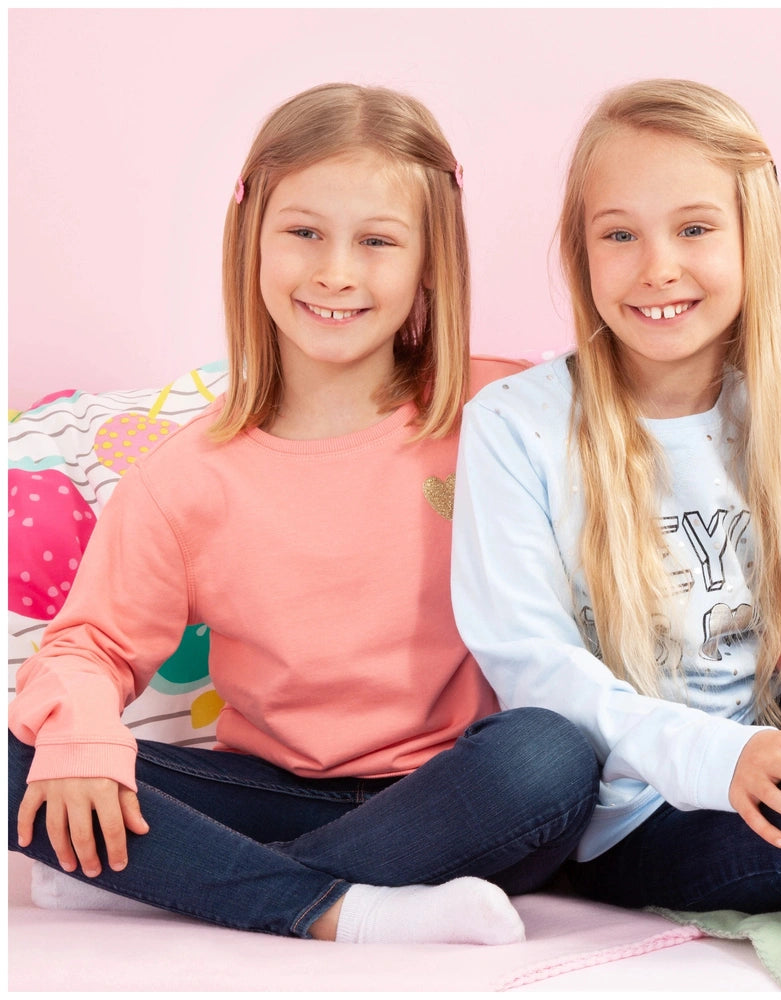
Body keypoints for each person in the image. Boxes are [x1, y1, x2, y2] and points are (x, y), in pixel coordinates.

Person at [8, 82, 600, 944]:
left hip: (466, 794)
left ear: (430, 260)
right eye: (304, 233)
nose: (336, 272)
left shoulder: (503, 408)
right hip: (269, 792)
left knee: (550, 754)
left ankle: (179, 880)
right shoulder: (186, 476)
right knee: (23, 755)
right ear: (252, 238)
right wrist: (81, 745)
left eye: (377, 242)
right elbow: (85, 648)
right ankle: (335, 910)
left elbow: (652, 442)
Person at [451, 79, 781, 915]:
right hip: (644, 809)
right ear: (581, 251)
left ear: (751, 240)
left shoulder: (778, 422)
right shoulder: (515, 427)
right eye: (620, 234)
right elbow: (537, 671)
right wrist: (724, 757)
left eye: (694, 228)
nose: (657, 266)